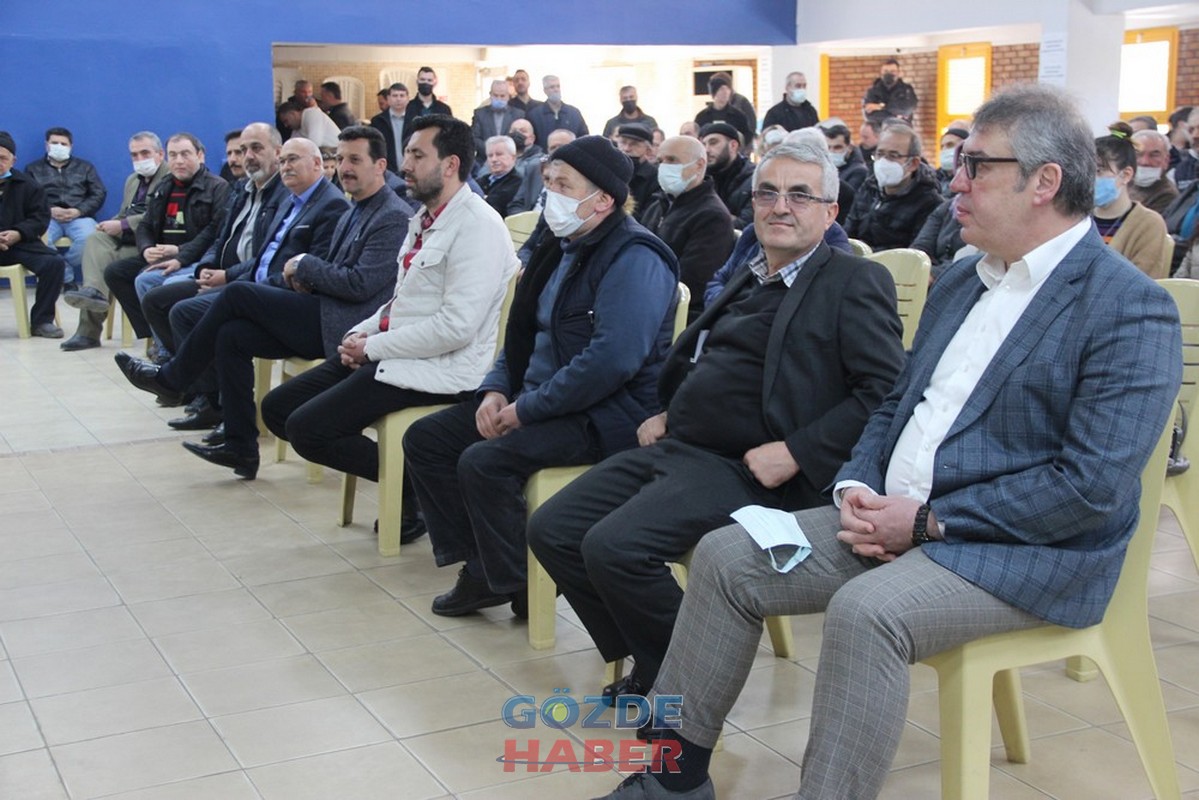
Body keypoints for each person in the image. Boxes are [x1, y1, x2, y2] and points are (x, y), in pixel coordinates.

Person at [593, 81, 1184, 800]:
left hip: (1023, 551)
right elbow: (893, 404)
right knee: (725, 556)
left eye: (976, 166)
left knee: (865, 614)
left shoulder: (1126, 308)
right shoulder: (963, 282)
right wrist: (856, 486)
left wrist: (928, 521)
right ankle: (673, 775)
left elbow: (1087, 489)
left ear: (1044, 182)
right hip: (896, 517)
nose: (953, 181)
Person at [528, 141, 905, 702]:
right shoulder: (752, 272)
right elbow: (712, 360)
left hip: (750, 467)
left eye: (800, 195)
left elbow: (885, 393)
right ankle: (661, 659)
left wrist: (797, 451)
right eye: (767, 193)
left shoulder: (852, 280)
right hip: (683, 445)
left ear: (831, 212)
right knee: (552, 528)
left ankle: (687, 682)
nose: (780, 206)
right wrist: (669, 410)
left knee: (614, 547)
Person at [402, 135, 679, 619]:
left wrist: (526, 409)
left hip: (605, 414)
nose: (550, 194)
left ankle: (521, 584)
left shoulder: (635, 257)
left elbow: (611, 361)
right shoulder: (559, 245)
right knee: (427, 440)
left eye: (563, 185)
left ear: (603, 200)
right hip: (541, 396)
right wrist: (495, 389)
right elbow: (522, 332)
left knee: (484, 462)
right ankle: (488, 566)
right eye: (548, 182)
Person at [262, 114, 518, 530]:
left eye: (417, 155)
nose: (406, 166)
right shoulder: (425, 218)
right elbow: (401, 301)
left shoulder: (477, 226)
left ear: (450, 165)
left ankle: (417, 489)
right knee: (277, 408)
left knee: (308, 429)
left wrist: (373, 348)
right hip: (397, 350)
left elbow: (456, 328)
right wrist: (359, 333)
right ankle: (414, 487)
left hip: (439, 367)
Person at [114, 126, 405, 479]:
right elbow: (327, 267)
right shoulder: (354, 208)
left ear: (380, 165)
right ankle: (240, 447)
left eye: (354, 160)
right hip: (318, 305)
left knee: (237, 294)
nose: (344, 167)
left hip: (343, 324)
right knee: (232, 335)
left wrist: (304, 266)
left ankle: (174, 378)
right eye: (341, 159)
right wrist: (303, 272)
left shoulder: (390, 215)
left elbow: (359, 284)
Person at [102, 133, 230, 346]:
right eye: (173, 155)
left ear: (200, 156)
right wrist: (146, 249)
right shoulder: (164, 186)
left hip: (195, 257)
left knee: (159, 282)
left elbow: (214, 232)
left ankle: (169, 344)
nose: (179, 161)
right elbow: (145, 224)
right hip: (162, 254)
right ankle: (156, 336)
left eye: (185, 154)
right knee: (116, 272)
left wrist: (180, 253)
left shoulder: (218, 187)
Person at [61, 132, 171, 351]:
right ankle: (93, 295)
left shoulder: (170, 178)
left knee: (105, 265)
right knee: (95, 239)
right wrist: (110, 224)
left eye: (145, 153)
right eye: (134, 155)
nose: (139, 159)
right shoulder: (132, 180)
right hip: (129, 240)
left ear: (160, 154)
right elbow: (124, 213)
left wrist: (122, 225)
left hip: (154, 244)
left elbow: (160, 216)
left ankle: (89, 328)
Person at [638, 135, 735, 322]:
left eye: (672, 160)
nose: (664, 167)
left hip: (675, 316)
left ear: (699, 165)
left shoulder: (712, 217)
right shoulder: (658, 206)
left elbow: (692, 283)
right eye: (660, 161)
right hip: (647, 301)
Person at [0, 131, 67, 338]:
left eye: (2, 158)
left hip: (19, 245)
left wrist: (18, 233)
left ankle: (41, 321)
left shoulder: (28, 185)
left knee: (54, 263)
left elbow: (40, 218)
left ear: (13, 160)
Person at [24, 127, 107, 286]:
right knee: (37, 239)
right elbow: (27, 196)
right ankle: (67, 279)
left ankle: (61, 268)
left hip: (79, 217)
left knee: (91, 239)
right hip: (47, 217)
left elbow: (99, 193)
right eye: (54, 143)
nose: (59, 146)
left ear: (71, 146)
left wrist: (78, 210)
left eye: (63, 144)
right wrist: (48, 209)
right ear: (46, 145)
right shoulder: (33, 169)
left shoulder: (85, 167)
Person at [844, 122, 941, 249]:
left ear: (913, 163)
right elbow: (848, 232)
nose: (883, 161)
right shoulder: (868, 188)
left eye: (893, 156)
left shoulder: (929, 202)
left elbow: (915, 253)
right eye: (880, 154)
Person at [1093, 132, 1169, 278]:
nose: (1090, 178)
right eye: (1086, 171)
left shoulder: (1149, 223)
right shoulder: (1077, 217)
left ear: (1126, 175)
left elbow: (1142, 282)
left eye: (1098, 171)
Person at [700, 122, 755, 230]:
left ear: (733, 146)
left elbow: (747, 225)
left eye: (713, 143)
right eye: (704, 144)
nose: (706, 150)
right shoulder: (702, 179)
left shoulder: (753, 179)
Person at [471, 79, 525, 166]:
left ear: (508, 96)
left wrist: (503, 153)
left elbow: (520, 139)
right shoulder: (480, 114)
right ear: (490, 95)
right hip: (484, 162)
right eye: (495, 95)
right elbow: (475, 138)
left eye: (502, 96)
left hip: (510, 162)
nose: (499, 99)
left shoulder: (518, 114)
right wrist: (491, 151)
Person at [527, 75, 589, 148]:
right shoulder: (535, 115)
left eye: (558, 86)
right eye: (552, 87)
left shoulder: (574, 113)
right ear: (545, 91)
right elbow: (531, 142)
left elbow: (584, 138)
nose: (556, 90)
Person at [694, 75, 753, 151]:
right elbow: (697, 135)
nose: (725, 92)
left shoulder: (738, 115)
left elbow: (747, 134)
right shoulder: (702, 116)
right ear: (714, 93)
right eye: (721, 89)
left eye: (727, 89)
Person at [1129, 129, 1178, 214]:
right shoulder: (1121, 185)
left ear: (1166, 160)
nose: (1145, 162)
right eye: (1138, 154)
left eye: (1154, 155)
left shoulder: (1167, 195)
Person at [616, 124, 659, 221]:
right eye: (623, 142)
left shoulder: (655, 177)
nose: (626, 149)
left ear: (648, 150)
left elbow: (649, 216)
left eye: (634, 144)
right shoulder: (611, 170)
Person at [862, 58, 918, 125]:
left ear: (899, 73)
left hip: (902, 129)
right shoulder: (872, 91)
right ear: (881, 72)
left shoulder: (906, 89)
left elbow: (907, 109)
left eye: (892, 71)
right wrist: (897, 116)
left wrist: (880, 106)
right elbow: (869, 115)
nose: (888, 74)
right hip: (879, 129)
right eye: (885, 71)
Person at [370, 83, 410, 174]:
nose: (398, 99)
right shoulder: (378, 121)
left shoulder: (415, 120)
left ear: (408, 98)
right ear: (388, 98)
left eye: (402, 95)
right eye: (395, 96)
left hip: (411, 170)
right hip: (387, 171)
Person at [820, 121, 868, 191]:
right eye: (828, 147)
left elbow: (848, 195)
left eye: (837, 147)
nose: (832, 151)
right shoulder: (824, 167)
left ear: (849, 148)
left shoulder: (859, 171)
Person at [481, 135, 522, 216]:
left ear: (513, 157)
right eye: (490, 155)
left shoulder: (518, 182)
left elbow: (495, 205)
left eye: (499, 154)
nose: (494, 159)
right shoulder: (481, 180)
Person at [935, 123, 970, 196]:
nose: (944, 150)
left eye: (950, 145)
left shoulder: (971, 177)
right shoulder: (934, 178)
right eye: (942, 147)